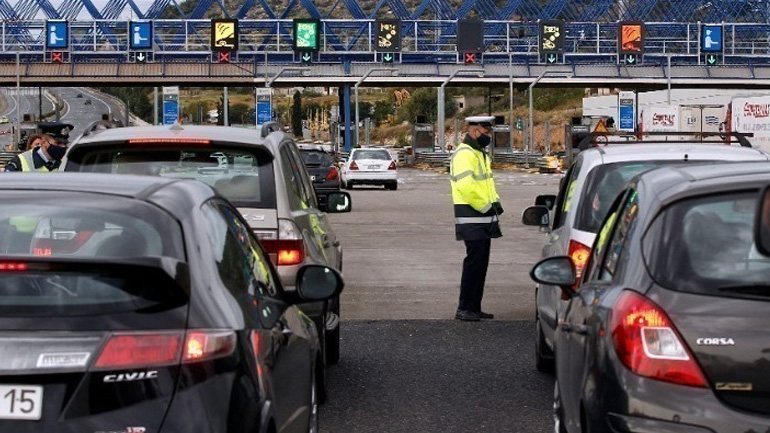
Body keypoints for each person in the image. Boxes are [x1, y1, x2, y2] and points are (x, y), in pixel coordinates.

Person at [450, 116, 503, 322]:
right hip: (472, 217)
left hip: (483, 218)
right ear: (475, 130)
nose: (489, 137)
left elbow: (486, 184)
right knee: (474, 263)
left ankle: (474, 306)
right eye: (486, 132)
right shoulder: (465, 154)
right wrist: (487, 206)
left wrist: (495, 204)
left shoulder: (478, 153)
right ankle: (465, 307)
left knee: (480, 264)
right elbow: (466, 187)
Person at [3, 123, 73, 172]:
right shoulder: (19, 163)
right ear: (43, 142)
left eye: (65, 143)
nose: (63, 147)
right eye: (58, 143)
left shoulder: (69, 164)